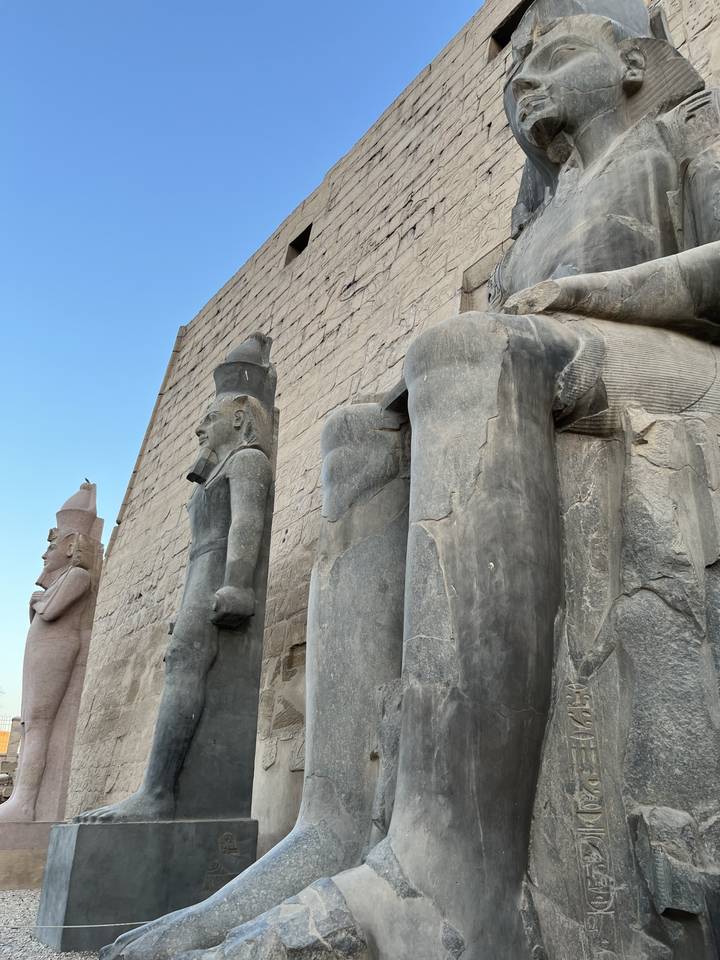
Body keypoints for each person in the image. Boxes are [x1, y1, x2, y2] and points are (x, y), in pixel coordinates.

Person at [103, 2, 720, 956]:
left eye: (551, 57)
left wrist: (602, 292)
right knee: (357, 432)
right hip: (575, 363)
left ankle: (452, 871)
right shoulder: (542, 219)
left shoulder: (684, 138)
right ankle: (340, 827)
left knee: (469, 352)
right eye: (513, 78)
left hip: (681, 369)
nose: (523, 86)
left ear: (635, 64)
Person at [77, 336, 275, 823]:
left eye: (211, 416)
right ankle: (156, 789)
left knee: (186, 670)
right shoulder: (218, 470)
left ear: (239, 415)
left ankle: (158, 793)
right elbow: (200, 545)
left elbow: (246, 525)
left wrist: (238, 584)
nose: (200, 426)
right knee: (178, 669)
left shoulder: (248, 461)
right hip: (199, 576)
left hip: (216, 579)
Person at [0, 484, 101, 823]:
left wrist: (37, 602)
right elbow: (39, 614)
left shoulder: (77, 576)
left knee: (41, 724)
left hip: (57, 650)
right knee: (30, 724)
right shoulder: (64, 577)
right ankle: (21, 797)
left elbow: (50, 611)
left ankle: (27, 802)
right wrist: (37, 603)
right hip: (42, 649)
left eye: (50, 546)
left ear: (71, 547)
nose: (45, 555)